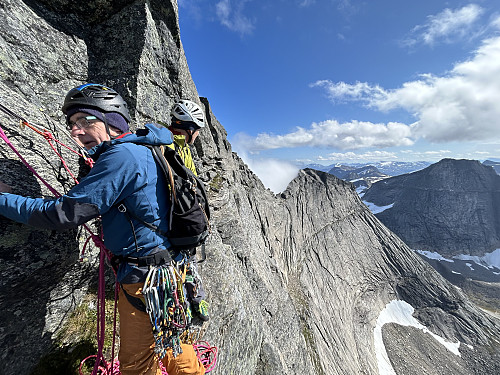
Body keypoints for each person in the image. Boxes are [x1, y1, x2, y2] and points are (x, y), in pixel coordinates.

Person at [0, 83, 205, 375]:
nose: (75, 130)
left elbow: (63, 214)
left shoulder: (121, 158)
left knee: (136, 365)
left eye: (85, 120)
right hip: (168, 270)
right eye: (72, 123)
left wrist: (3, 199)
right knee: (172, 341)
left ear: (112, 120)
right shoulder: (145, 147)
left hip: (143, 278)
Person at [168, 99, 210, 322]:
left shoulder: (178, 147)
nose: (198, 136)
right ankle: (192, 300)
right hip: (176, 217)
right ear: (190, 128)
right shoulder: (170, 148)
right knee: (185, 260)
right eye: (197, 131)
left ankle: (191, 298)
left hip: (179, 213)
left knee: (186, 260)